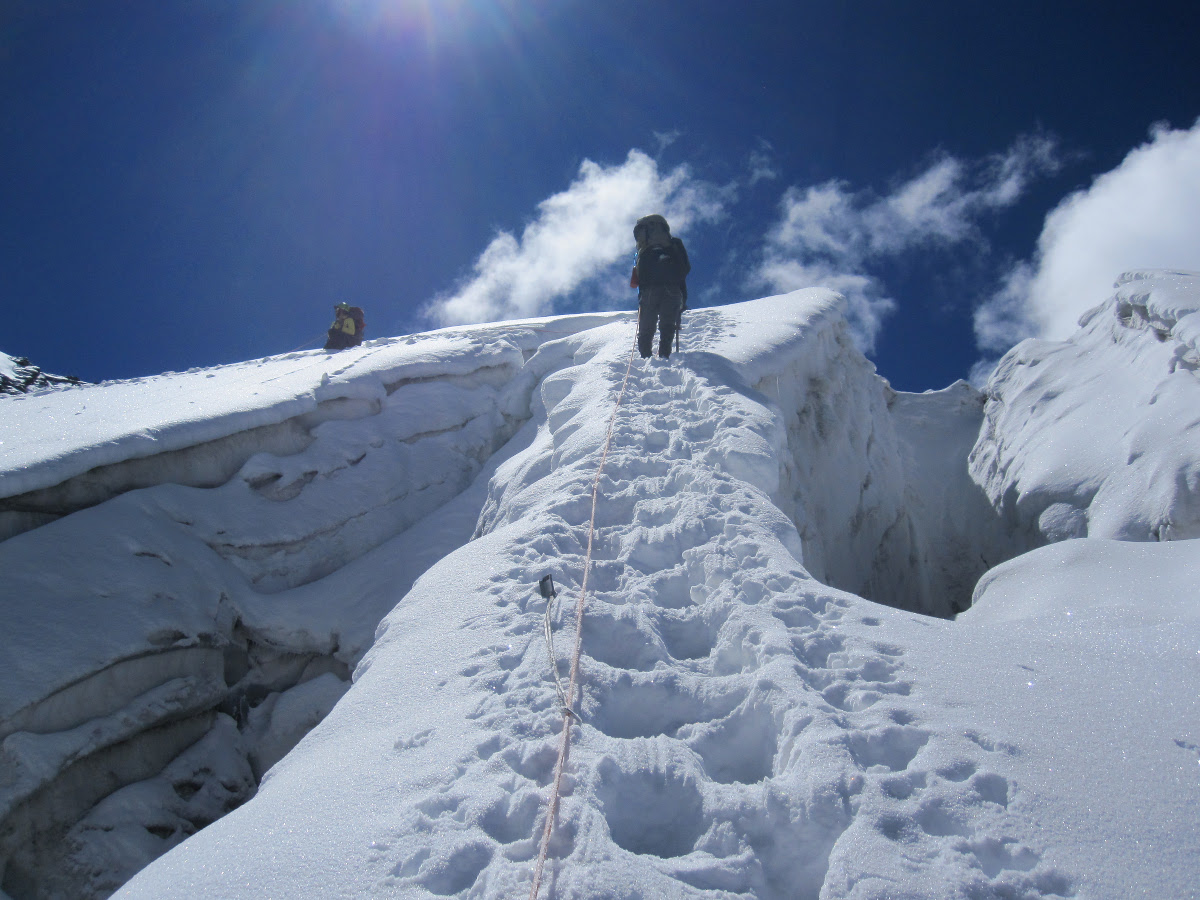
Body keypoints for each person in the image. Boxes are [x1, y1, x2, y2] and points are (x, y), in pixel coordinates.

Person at [630, 214, 690, 359]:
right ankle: (664, 355)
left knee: (646, 326)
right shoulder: (673, 244)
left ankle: (645, 356)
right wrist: (683, 299)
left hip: (649, 290)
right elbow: (685, 268)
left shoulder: (643, 251)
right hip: (673, 289)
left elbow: (635, 281)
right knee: (668, 323)